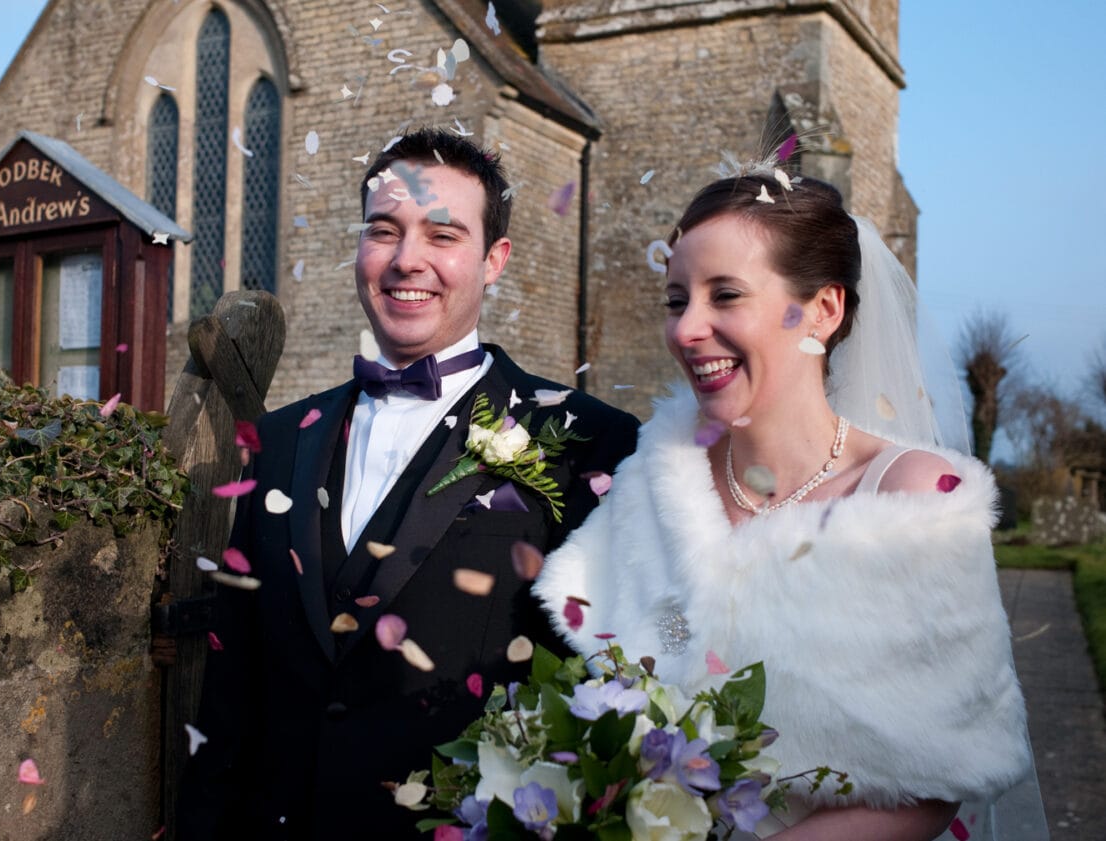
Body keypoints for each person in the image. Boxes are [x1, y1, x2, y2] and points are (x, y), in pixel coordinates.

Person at [533, 170, 1038, 840]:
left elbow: (940, 775)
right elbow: (618, 672)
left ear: (824, 310)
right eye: (676, 299)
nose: (687, 329)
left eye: (726, 295)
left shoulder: (910, 497)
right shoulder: (656, 480)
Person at [176, 128, 640, 839]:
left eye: (442, 234)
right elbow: (233, 685)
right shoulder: (275, 441)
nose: (405, 259)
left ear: (494, 261)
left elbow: (599, 684)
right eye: (383, 230)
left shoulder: (587, 441)